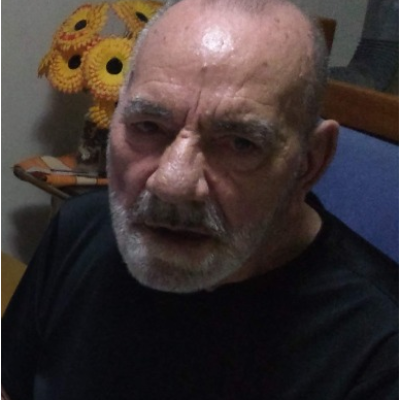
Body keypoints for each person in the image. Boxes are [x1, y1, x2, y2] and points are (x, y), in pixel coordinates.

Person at [2, 0, 398, 399]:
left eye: (240, 143)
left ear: (309, 163)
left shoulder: (381, 350)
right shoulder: (79, 230)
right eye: (148, 126)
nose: (172, 183)